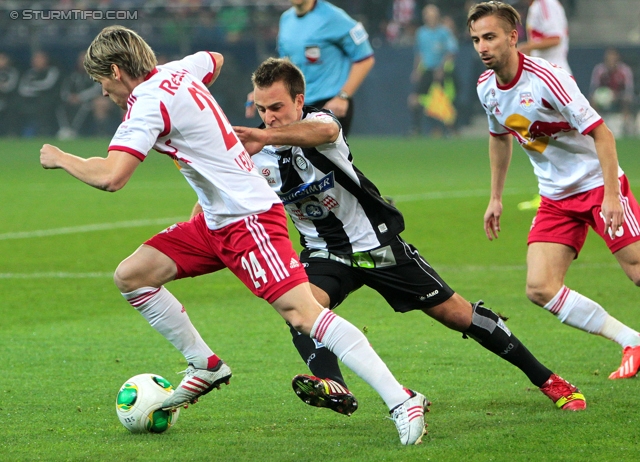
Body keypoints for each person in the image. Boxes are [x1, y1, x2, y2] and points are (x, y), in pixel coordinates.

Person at [38, 25, 427, 446]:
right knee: (133, 276)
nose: (102, 92)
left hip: (249, 218)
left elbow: (112, 177)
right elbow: (215, 59)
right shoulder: (180, 71)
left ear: (116, 70)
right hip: (213, 221)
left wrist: (61, 158)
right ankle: (204, 364)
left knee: (302, 315)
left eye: (101, 82)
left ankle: (402, 399)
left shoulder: (147, 103)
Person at [232, 57, 587, 417]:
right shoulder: (255, 155)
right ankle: (334, 385)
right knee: (297, 307)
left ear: (298, 101)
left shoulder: (320, 123)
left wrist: (265, 135)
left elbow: (323, 133)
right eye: (261, 110)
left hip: (377, 246)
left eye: (277, 107)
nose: (268, 117)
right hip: (326, 253)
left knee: (458, 315)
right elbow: (223, 193)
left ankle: (548, 379)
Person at [467, 1, 640, 380]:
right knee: (540, 287)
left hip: (597, 184)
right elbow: (499, 139)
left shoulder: (549, 78)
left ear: (514, 38)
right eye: (477, 39)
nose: (482, 46)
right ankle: (632, 340)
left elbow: (602, 133)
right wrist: (495, 197)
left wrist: (612, 195)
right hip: (556, 198)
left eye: (490, 37)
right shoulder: (486, 89)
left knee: (637, 270)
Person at [246, 0, 374, 136]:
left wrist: (343, 96)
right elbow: (285, 66)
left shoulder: (334, 17)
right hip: (298, 105)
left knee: (321, 157)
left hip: (328, 104)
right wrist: (264, 92)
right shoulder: (286, 19)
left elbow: (365, 58)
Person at [517, 0, 571, 211]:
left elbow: (555, 38)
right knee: (547, 139)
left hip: (554, 78)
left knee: (555, 138)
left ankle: (557, 194)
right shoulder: (538, 5)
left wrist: (526, 47)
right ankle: (551, 193)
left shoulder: (545, 4)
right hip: (545, 77)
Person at [408, 4, 458, 136]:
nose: (429, 18)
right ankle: (415, 128)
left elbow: (451, 51)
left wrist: (442, 68)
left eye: (432, 15)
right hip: (427, 69)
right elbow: (419, 54)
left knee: (443, 101)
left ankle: (449, 130)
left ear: (437, 16)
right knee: (414, 99)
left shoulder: (444, 32)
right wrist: (416, 70)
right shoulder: (421, 33)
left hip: (440, 71)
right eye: (427, 16)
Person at [589, 48, 636, 138]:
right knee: (593, 100)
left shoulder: (625, 71)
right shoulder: (599, 70)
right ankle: (595, 123)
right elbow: (593, 92)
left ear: (617, 59)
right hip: (602, 106)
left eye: (613, 59)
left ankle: (625, 124)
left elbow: (629, 94)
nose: (611, 61)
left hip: (619, 105)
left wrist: (615, 96)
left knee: (627, 100)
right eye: (608, 59)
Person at [57, 51, 103, 139]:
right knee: (60, 107)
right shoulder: (73, 76)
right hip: (71, 100)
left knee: (84, 107)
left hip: (89, 100)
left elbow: (96, 89)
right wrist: (69, 97)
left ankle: (74, 130)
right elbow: (65, 90)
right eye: (81, 61)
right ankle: (65, 129)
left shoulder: (96, 75)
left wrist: (80, 97)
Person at [518, 0, 571, 73]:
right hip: (544, 69)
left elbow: (554, 39)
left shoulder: (545, 3)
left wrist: (524, 47)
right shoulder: (536, 5)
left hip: (553, 69)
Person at [17, 50, 61, 137]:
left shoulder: (52, 71)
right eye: (35, 59)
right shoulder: (30, 73)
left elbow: (47, 85)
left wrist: (32, 87)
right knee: (15, 104)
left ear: (46, 60)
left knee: (44, 104)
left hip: (48, 99)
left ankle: (44, 131)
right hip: (30, 99)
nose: (37, 61)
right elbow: (22, 88)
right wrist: (32, 90)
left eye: (39, 59)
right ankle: (15, 132)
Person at [0, 52, 20, 136]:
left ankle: (11, 133)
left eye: (2, 59)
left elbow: (10, 86)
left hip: (9, 98)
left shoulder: (12, 71)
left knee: (11, 109)